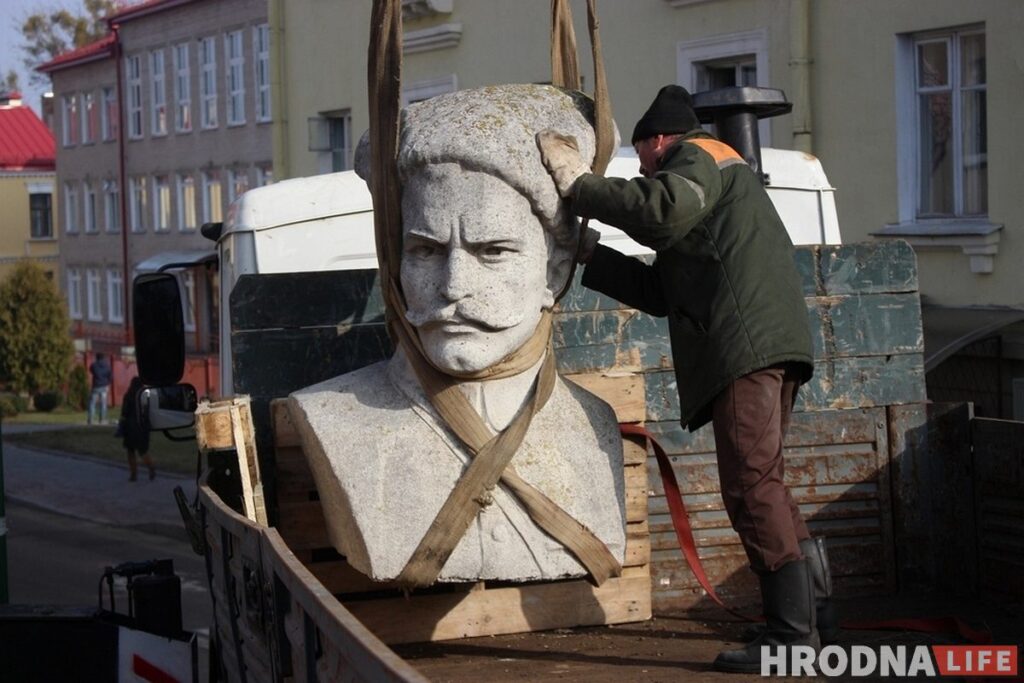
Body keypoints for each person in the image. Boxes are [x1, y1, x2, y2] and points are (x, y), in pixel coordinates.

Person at [536, 84, 835, 672]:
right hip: (766, 342)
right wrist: (591, 252)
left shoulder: (698, 156)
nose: (644, 169)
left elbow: (662, 211)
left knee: (750, 486)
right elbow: (661, 291)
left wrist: (580, 187)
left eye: (643, 157)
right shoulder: (712, 186)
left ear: (658, 140)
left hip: (744, 345)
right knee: (766, 481)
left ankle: (792, 639)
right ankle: (815, 622)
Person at [288, 84, 626, 586]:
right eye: (425, 251)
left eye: (492, 251)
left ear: (554, 272)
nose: (453, 286)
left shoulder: (594, 425)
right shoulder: (331, 418)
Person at [120, 376, 155, 482]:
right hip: (143, 427)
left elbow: (124, 412)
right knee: (143, 451)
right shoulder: (146, 396)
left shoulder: (128, 395)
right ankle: (151, 467)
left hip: (130, 427)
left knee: (131, 452)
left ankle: (133, 474)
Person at [87, 353, 112, 425]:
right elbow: (110, 376)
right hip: (104, 386)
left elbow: (91, 370)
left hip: (96, 386)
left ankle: (90, 420)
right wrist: (108, 383)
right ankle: (102, 419)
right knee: (103, 403)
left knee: (92, 403)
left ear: (96, 358)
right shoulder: (107, 365)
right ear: (103, 358)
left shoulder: (94, 365)